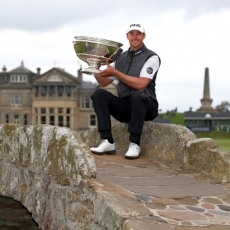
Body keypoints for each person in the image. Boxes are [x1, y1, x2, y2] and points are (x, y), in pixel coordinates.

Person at [90, 23, 161, 159]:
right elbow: (103, 82)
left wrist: (116, 73)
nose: (135, 37)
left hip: (146, 106)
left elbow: (141, 85)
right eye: (132, 34)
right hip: (126, 107)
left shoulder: (152, 57)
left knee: (137, 94)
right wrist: (94, 65)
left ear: (143, 36)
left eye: (138, 34)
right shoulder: (120, 58)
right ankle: (107, 141)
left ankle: (134, 143)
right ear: (127, 36)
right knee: (98, 95)